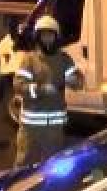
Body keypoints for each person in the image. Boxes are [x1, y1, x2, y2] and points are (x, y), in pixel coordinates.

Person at [14, 15, 84, 166]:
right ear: (38, 37)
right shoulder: (29, 60)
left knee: (53, 168)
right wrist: (41, 90)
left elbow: (78, 82)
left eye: (50, 35)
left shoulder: (64, 60)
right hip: (30, 130)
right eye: (43, 35)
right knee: (24, 167)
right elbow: (19, 85)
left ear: (56, 37)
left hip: (54, 130)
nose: (47, 39)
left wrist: (75, 80)